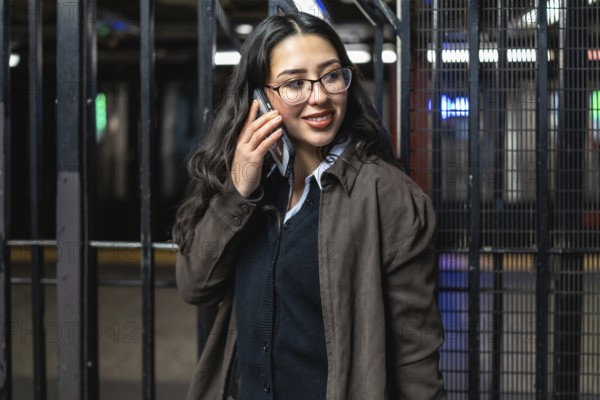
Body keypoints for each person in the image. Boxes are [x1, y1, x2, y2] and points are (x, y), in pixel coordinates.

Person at [172, 11, 447, 400]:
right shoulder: (252, 183)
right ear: (260, 98)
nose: (319, 97)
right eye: (295, 83)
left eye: (331, 75)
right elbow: (194, 285)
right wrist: (237, 191)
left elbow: (414, 349)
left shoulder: (386, 195)